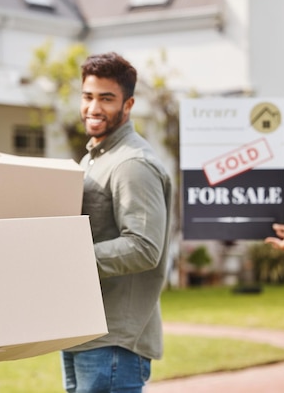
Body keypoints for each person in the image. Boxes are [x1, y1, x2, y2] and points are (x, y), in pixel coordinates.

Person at [61, 52, 172, 393]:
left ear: (128, 104)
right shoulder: (95, 158)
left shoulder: (131, 164)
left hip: (114, 341)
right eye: (88, 96)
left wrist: (66, 258)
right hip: (84, 330)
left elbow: (144, 247)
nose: (93, 107)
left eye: (106, 98)